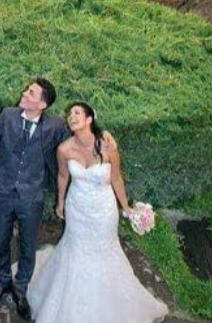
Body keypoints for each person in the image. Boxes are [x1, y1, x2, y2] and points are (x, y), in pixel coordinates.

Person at [28, 102, 165, 323]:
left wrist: (126, 208)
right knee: (75, 250)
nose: (71, 116)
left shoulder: (108, 146)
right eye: (69, 113)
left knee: (104, 251)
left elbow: (116, 178)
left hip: (103, 210)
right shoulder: (64, 149)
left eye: (77, 113)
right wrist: (60, 202)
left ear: (89, 119)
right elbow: (63, 176)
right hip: (77, 208)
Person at [0, 78, 76, 317]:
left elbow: (75, 143)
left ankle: (20, 289)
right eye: (27, 90)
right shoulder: (8, 115)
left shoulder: (55, 126)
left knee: (28, 246)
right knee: (0, 240)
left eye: (31, 93)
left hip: (31, 196)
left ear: (42, 104)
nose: (24, 93)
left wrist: (99, 137)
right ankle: (2, 281)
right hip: (1, 191)